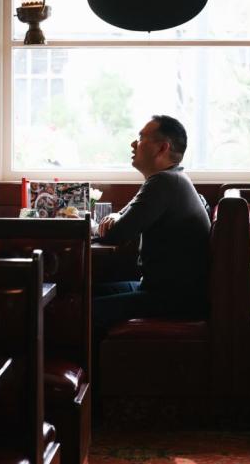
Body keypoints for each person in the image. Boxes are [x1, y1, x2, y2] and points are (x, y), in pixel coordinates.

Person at [93, 115, 211, 338]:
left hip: (173, 299)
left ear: (162, 148)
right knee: (82, 294)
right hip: (159, 290)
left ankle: (88, 371)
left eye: (141, 138)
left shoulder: (164, 183)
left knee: (81, 310)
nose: (133, 144)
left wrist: (111, 223)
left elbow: (117, 234)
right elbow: (126, 214)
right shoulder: (170, 179)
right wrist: (117, 215)